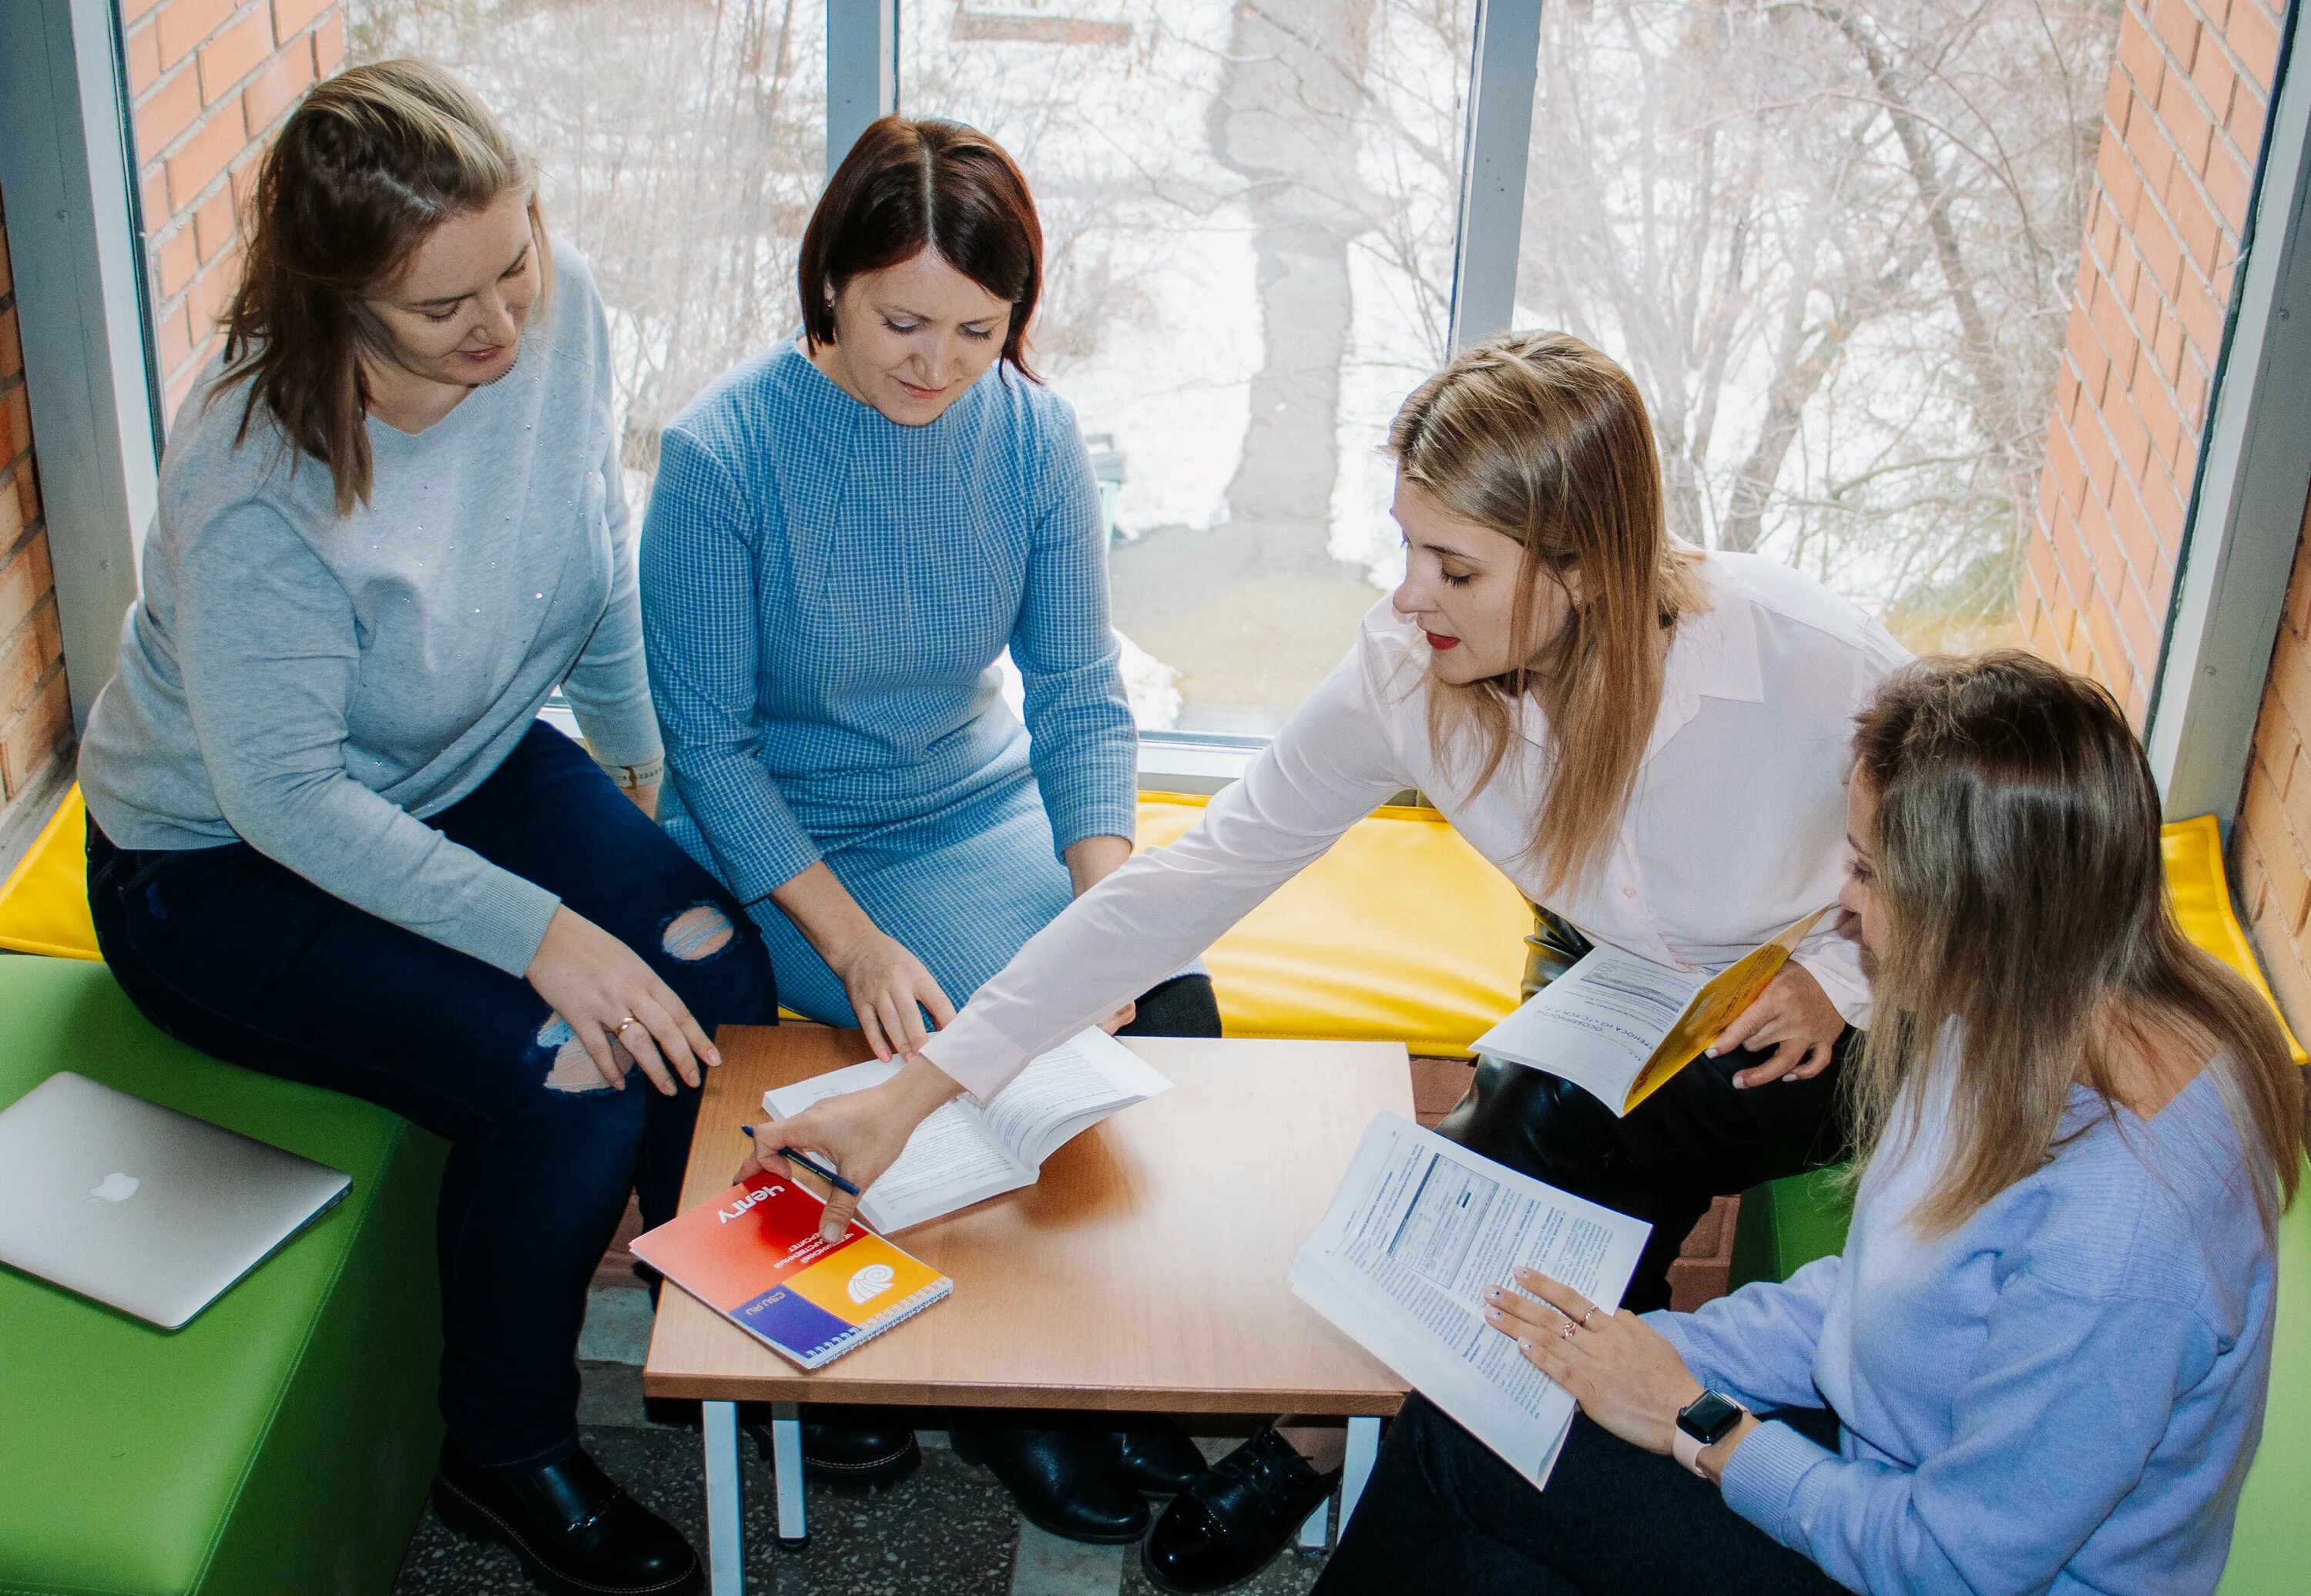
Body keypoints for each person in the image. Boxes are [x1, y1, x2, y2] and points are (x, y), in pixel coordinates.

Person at [754, 330, 1910, 1589]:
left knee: (1544, 1165)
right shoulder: (1409, 672)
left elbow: (2020, 861)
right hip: (1614, 958)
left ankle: (1321, 1442)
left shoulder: (1807, 660)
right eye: (1406, 544)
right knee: (1520, 1153)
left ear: (1585, 567)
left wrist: (1842, 975)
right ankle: (1444, 1437)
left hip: (1837, 980)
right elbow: (1190, 881)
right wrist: (916, 1092)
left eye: (1454, 566)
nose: (1409, 596)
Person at [75, 62, 776, 1596]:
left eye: (515, 259)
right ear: (338, 303)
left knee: (714, 963)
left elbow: (587, 546)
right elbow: (286, 798)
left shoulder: (554, 301)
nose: (504, 324)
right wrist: (550, 937)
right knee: (572, 1073)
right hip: (216, 862)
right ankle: (504, 1447)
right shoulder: (258, 481)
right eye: (444, 305)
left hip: (455, 760)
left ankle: (734, 1333)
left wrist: (633, 769)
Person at [1316, 649, 2306, 1595]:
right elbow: (1878, 1296)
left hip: (1938, 1564)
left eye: (1871, 874)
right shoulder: (2011, 1016)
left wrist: (1693, 1416)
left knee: (1466, 1438)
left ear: (1983, 910)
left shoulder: (2124, 1230)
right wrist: (1633, 1346)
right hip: (1879, 1462)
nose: (1845, 903)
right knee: (1513, 1439)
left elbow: (1952, 1564)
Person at [639, 115, 1220, 1544]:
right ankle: (1010, 1402)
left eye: (979, 327)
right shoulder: (722, 457)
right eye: (904, 320)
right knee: (951, 1037)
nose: (939, 363)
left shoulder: (1031, 437)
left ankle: (1090, 1360)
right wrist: (854, 939)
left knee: (1175, 1011)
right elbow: (707, 747)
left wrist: (1105, 903)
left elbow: (1081, 690)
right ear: (828, 282)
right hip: (787, 844)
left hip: (974, 806)